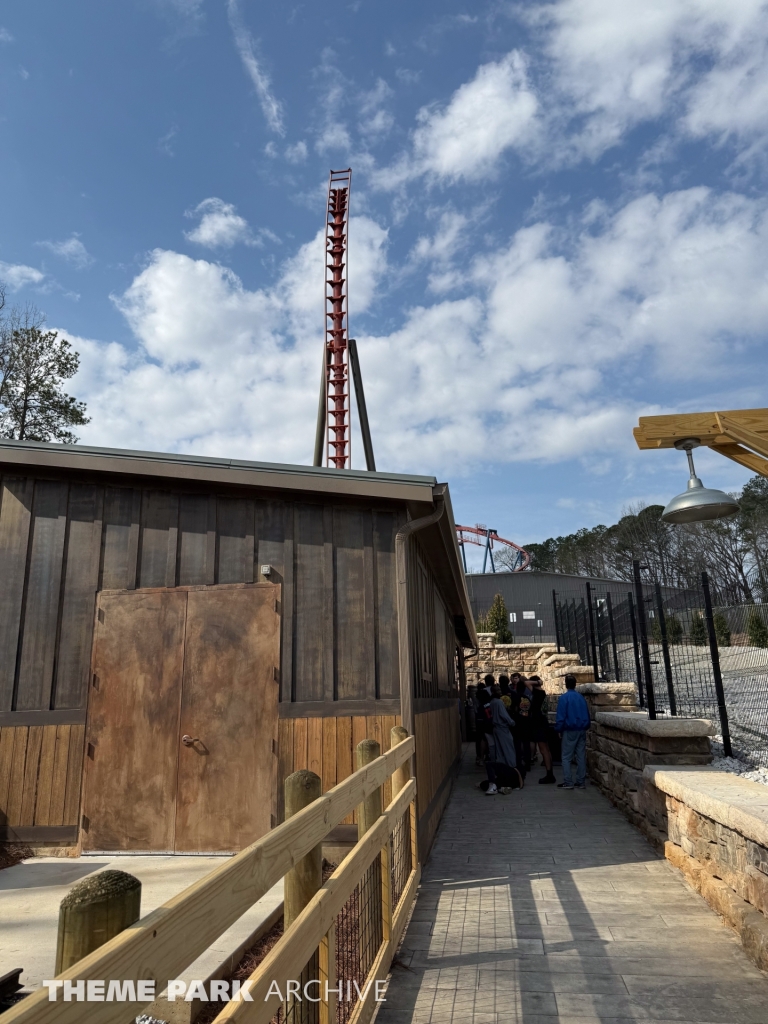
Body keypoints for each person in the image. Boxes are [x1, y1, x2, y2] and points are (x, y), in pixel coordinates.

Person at [555, 674, 591, 789]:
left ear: (566, 684)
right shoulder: (580, 697)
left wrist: (558, 729)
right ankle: (581, 781)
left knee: (566, 757)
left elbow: (561, 716)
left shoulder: (564, 698)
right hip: (582, 728)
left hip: (569, 729)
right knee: (580, 756)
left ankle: (568, 781)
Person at [484, 685, 517, 795]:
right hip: (503, 728)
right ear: (493, 692)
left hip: (496, 728)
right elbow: (504, 715)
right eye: (497, 690)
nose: (499, 691)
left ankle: (503, 772)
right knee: (509, 750)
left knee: (500, 751)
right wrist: (512, 722)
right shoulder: (498, 702)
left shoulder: (492, 702)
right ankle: (513, 771)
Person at [529, 677, 555, 784]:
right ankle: (550, 773)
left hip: (539, 725)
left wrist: (538, 682)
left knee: (543, 750)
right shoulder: (542, 693)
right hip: (542, 723)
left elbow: (524, 681)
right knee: (546, 750)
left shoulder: (537, 693)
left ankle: (549, 774)